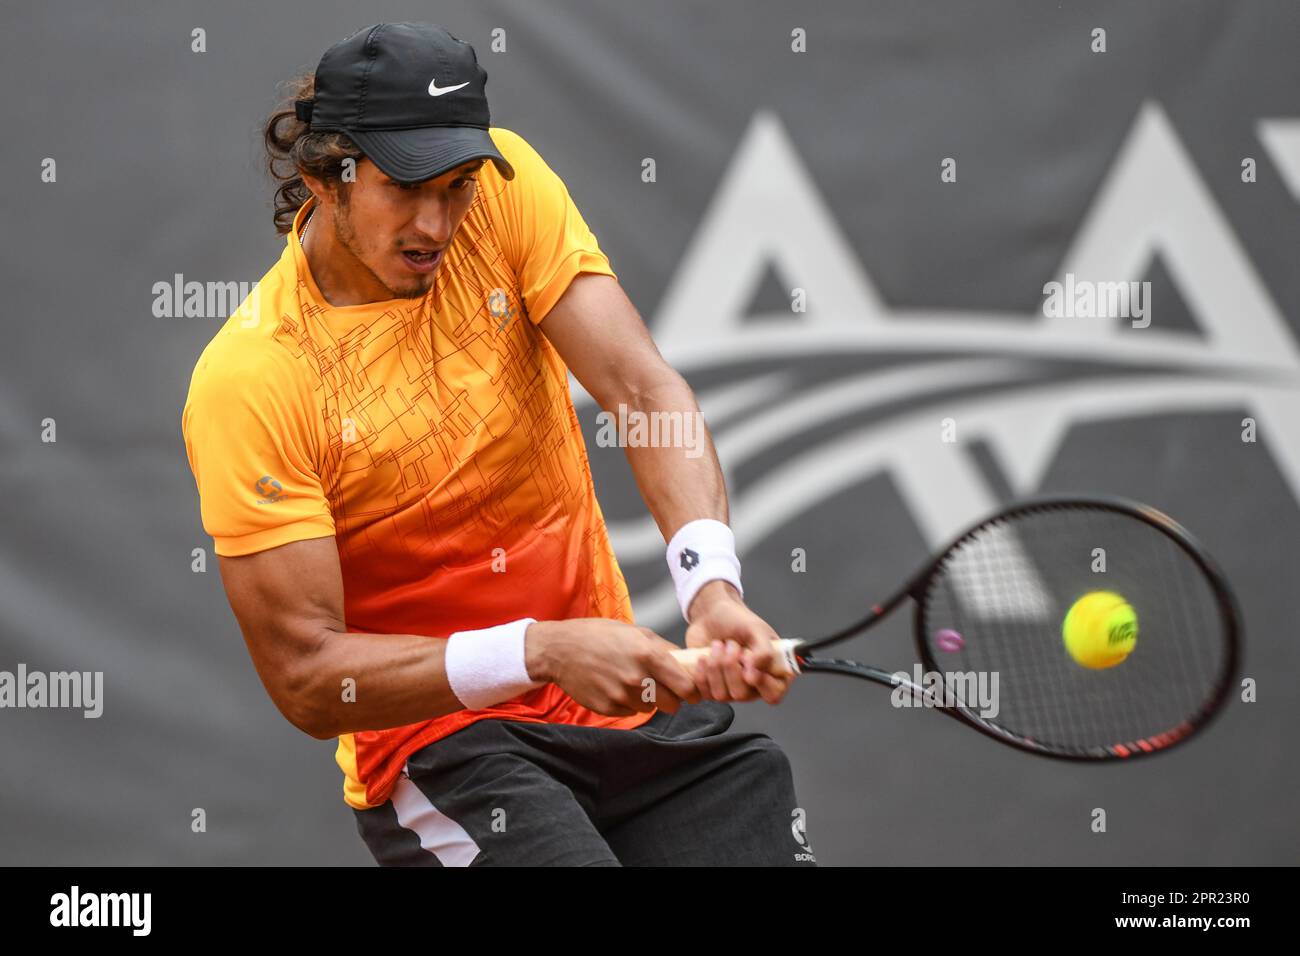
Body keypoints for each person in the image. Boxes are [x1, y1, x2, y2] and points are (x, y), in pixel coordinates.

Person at [181, 21, 813, 866]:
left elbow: (642, 388)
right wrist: (539, 649)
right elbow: (305, 676)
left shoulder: (509, 195)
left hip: (618, 716)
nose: (437, 223)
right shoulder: (252, 378)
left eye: (458, 187)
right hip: (448, 754)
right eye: (406, 187)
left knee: (751, 793)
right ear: (323, 178)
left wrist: (711, 590)